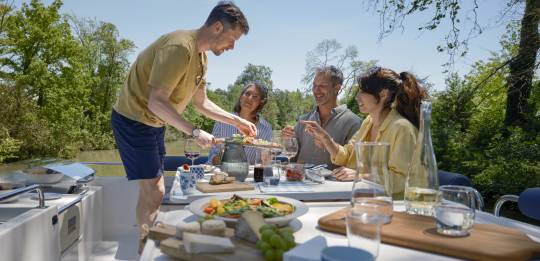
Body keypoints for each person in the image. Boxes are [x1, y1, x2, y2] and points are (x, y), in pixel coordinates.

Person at [111, 1, 256, 239]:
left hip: (154, 124)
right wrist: (195, 132)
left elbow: (202, 103)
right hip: (133, 120)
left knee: (151, 190)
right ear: (218, 27)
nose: (232, 47)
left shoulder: (202, 58)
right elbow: (156, 102)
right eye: (233, 39)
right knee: (155, 190)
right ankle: (145, 247)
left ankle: (145, 241)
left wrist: (236, 122)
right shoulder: (180, 47)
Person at [302, 67, 427, 196]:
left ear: (383, 95)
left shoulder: (402, 128)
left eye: (362, 92)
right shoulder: (368, 122)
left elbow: (403, 180)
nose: (357, 97)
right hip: (366, 199)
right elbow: (347, 156)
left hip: (394, 207)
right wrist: (325, 139)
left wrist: (361, 175)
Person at [281, 66, 361, 169]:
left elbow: (353, 164)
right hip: (300, 182)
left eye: (322, 86)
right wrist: (288, 141)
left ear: (337, 88)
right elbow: (292, 157)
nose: (316, 90)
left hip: (332, 184)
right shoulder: (304, 120)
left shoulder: (353, 122)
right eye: (314, 85)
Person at [207, 82, 273, 165]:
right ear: (241, 97)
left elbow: (266, 163)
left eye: (255, 97)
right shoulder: (222, 121)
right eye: (247, 93)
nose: (249, 98)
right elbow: (211, 160)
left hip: (251, 176)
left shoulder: (266, 128)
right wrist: (225, 154)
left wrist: (267, 159)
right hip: (224, 175)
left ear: (260, 103)